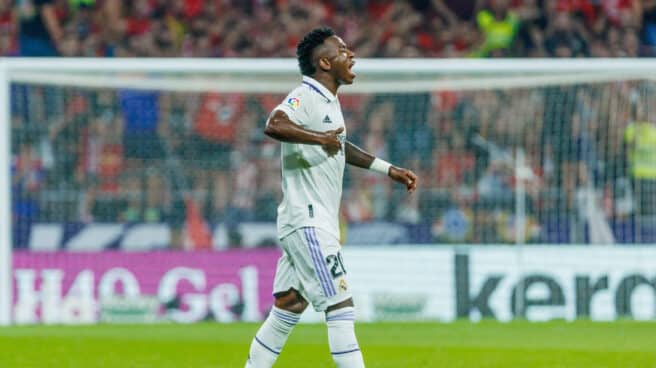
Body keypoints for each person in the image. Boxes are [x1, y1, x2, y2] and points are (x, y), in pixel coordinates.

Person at [244, 27, 417, 368]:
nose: (351, 55)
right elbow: (274, 123)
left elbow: (336, 146)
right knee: (340, 306)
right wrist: (316, 138)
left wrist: (388, 169)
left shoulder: (329, 102)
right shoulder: (305, 95)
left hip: (311, 220)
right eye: (343, 51)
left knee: (290, 304)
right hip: (307, 220)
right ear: (324, 62)